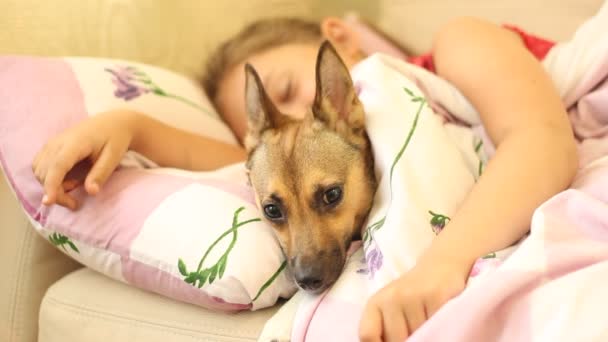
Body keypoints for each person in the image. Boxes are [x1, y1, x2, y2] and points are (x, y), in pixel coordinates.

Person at [32, 16, 578, 342]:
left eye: (290, 90)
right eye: (267, 124)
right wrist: (130, 126)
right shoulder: (297, 155)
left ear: (341, 42)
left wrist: (437, 270)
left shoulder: (460, 43)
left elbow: (542, 140)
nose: (293, 127)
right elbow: (254, 161)